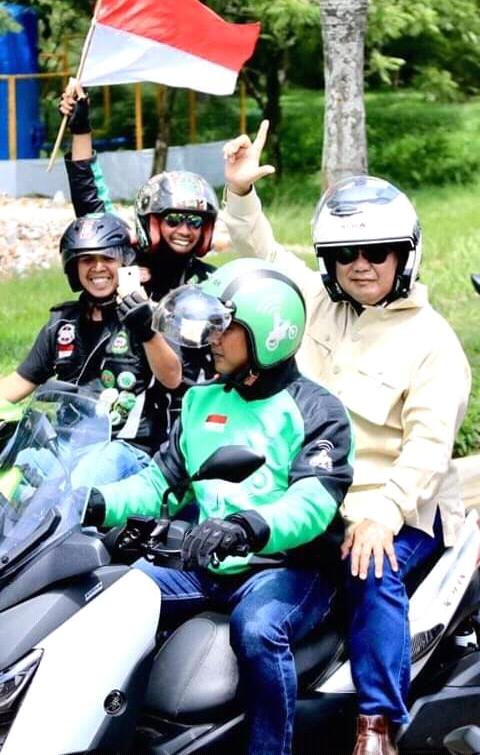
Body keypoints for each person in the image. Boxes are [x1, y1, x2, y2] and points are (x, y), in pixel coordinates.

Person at [220, 122, 472, 755]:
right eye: (346, 253)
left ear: (404, 256)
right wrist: (241, 194)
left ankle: (377, 723)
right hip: (305, 498)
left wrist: (383, 513)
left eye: (377, 252)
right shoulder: (316, 304)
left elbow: (427, 448)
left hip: (391, 507)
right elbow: (262, 253)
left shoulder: (433, 343)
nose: (361, 264)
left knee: (371, 567)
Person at [81, 257, 355, 755]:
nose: (210, 339)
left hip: (287, 567)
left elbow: (313, 503)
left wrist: (246, 527)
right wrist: (94, 502)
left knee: (258, 631)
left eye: (223, 328)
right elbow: (159, 482)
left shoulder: (316, 410)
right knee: (109, 598)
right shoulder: (201, 401)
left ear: (268, 333)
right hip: (206, 562)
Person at [59, 81, 220, 428]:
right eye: (173, 219)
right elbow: (89, 199)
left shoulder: (210, 282)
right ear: (152, 221)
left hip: (186, 413)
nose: (185, 229)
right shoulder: (126, 258)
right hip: (117, 405)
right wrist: (81, 128)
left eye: (195, 221)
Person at [0, 212, 181, 486]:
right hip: (66, 443)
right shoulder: (62, 324)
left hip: (125, 447)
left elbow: (172, 377)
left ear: (126, 263)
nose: (97, 267)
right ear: (73, 267)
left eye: (107, 258)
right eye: (87, 260)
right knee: (15, 471)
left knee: (78, 484)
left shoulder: (150, 316)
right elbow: (19, 382)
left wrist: (146, 328)